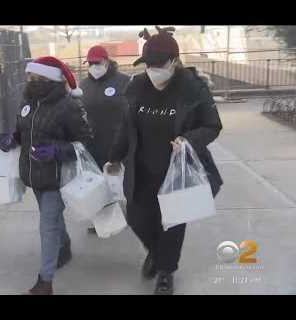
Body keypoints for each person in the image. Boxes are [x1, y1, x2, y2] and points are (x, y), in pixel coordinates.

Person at [107, 26, 223, 295]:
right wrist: (114, 157)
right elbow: (126, 127)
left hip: (177, 170)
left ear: (174, 61)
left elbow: (212, 125)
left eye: (159, 64)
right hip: (141, 169)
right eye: (148, 64)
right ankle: (156, 254)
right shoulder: (137, 86)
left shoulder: (192, 88)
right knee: (137, 219)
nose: (152, 70)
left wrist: (189, 139)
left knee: (171, 223)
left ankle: (165, 271)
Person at [0, 56, 93, 295]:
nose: (33, 82)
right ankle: (64, 246)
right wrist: (12, 139)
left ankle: (45, 282)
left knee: (47, 224)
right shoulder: (28, 102)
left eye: (39, 79)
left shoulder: (68, 106)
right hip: (33, 174)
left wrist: (57, 151)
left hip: (57, 175)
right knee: (51, 218)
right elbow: (22, 130)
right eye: (31, 78)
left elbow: (86, 142)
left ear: (52, 80)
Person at [79, 46, 130, 234]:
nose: (94, 66)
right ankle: (103, 220)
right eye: (90, 63)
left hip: (119, 140)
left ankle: (130, 212)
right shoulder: (83, 85)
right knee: (99, 183)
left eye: (97, 63)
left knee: (121, 181)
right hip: (93, 142)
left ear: (107, 62)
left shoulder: (123, 81)